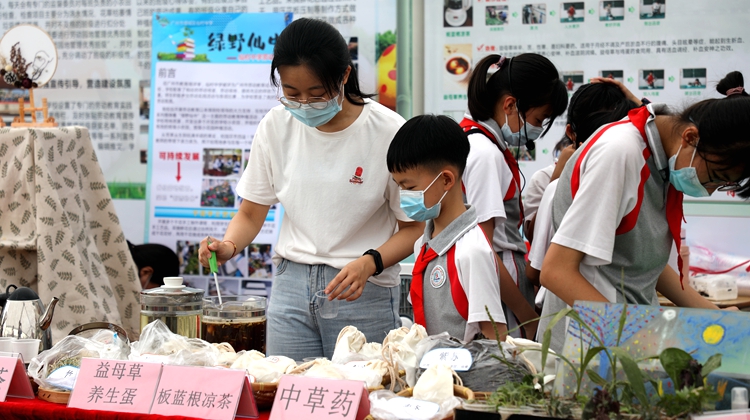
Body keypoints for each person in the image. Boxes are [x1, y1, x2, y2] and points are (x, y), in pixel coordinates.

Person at [198, 18, 422, 361]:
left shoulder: (389, 131)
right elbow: (250, 211)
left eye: (317, 94)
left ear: (345, 76)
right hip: (291, 288)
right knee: (288, 395)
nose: (304, 103)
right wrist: (229, 246)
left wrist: (370, 263)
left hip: (361, 290)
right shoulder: (275, 126)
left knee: (364, 401)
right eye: (291, 93)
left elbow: (412, 228)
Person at [540, 71, 750, 345]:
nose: (710, 190)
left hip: (628, 333)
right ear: (690, 137)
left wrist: (715, 316)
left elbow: (640, 259)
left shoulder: (664, 158)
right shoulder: (621, 154)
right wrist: (634, 338)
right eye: (716, 177)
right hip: (590, 347)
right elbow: (557, 271)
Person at [460, 53, 567, 338]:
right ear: (510, 104)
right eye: (538, 119)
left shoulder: (479, 144)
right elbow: (485, 249)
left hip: (499, 286)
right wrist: (526, 315)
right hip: (500, 290)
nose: (536, 131)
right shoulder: (484, 154)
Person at [387, 115, 507, 342]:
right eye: (399, 186)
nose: (403, 197)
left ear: (446, 180)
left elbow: (495, 336)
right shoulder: (423, 243)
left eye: (409, 186)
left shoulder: (472, 251)